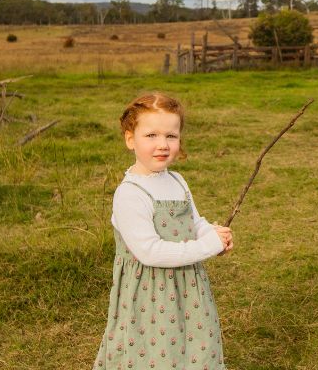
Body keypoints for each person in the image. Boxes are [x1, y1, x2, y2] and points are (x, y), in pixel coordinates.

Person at [94, 93, 234, 370]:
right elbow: (150, 252)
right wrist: (207, 247)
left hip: (187, 286)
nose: (162, 145)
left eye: (171, 136)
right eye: (151, 136)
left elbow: (193, 221)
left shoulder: (177, 180)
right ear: (130, 139)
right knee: (152, 352)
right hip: (148, 293)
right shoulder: (130, 194)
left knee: (191, 343)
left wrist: (213, 233)